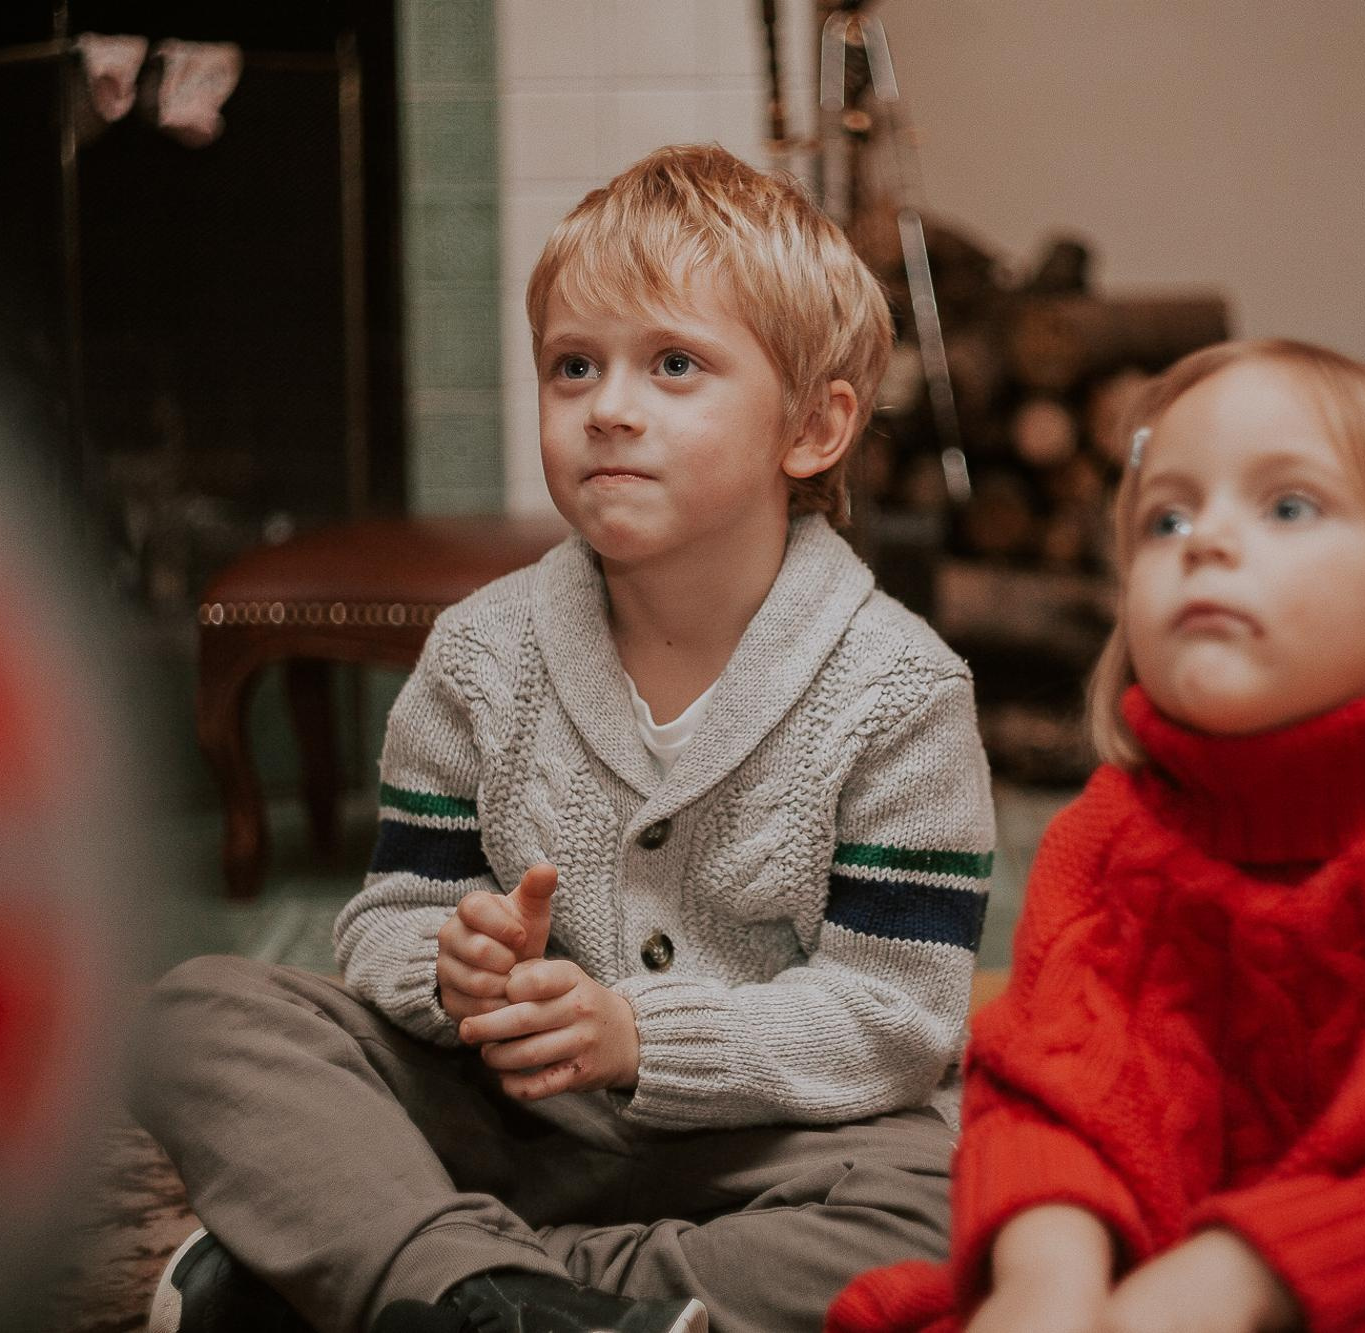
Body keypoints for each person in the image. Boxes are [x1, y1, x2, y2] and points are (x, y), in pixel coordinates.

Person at [131, 143, 996, 1333]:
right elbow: (390, 917)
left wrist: (639, 1035)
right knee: (200, 1014)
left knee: (956, 1202)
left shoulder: (900, 692)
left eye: (674, 364)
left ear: (811, 426)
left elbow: (893, 1019)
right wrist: (455, 969)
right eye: (572, 365)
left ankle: (421, 1283)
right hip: (513, 1122)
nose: (609, 408)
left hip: (768, 1147)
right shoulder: (478, 656)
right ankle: (497, 1293)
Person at [829, 339, 1365, 1333]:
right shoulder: (1106, 835)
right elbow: (1056, 1094)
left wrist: (1237, 1281)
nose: (1204, 541)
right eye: (1165, 519)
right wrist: (1047, 1281)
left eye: (1288, 506)